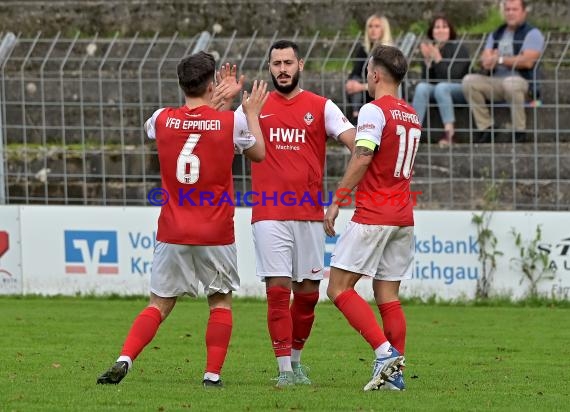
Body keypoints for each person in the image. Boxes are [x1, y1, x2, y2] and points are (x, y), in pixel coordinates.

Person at [96, 51, 269, 388]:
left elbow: (188, 126)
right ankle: (211, 374)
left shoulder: (160, 119)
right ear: (212, 83)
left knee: (159, 303)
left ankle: (124, 358)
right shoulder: (230, 121)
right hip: (215, 231)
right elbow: (259, 153)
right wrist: (249, 113)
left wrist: (210, 102)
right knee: (219, 300)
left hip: (172, 229)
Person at [228, 40, 355, 387]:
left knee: (309, 294)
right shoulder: (253, 107)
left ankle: (297, 362)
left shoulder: (321, 106)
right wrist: (226, 105)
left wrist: (341, 196)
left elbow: (356, 142)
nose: (282, 69)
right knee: (278, 289)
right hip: (269, 213)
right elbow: (220, 135)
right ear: (269, 68)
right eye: (276, 64)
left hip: (310, 215)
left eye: (288, 62)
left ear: (301, 64)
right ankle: (284, 369)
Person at [324, 44, 420, 391]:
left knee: (338, 288)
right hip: (403, 216)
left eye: (367, 72)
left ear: (375, 75)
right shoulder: (411, 114)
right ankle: (395, 379)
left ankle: (384, 354)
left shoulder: (373, 110)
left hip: (374, 214)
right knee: (387, 295)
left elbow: (363, 155)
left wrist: (336, 200)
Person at [462, 0, 544, 143]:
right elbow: (485, 57)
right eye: (507, 10)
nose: (510, 13)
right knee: (469, 81)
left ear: (523, 12)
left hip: (521, 81)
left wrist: (499, 59)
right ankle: (486, 127)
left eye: (514, 9)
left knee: (510, 83)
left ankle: (519, 130)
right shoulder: (497, 33)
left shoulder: (533, 33)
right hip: (495, 80)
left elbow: (527, 61)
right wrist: (487, 62)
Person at [412, 14, 470, 146]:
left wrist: (438, 59)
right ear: (432, 32)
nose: (441, 30)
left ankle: (450, 133)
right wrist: (428, 62)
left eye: (444, 27)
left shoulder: (459, 48)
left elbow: (453, 76)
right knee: (421, 87)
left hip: (460, 88)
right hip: (439, 89)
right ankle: (413, 132)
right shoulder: (432, 49)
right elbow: (427, 80)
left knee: (442, 87)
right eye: (437, 27)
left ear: (450, 30)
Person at [345, 14, 393, 124]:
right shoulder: (363, 49)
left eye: (377, 26)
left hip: (380, 92)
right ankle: (356, 116)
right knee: (355, 79)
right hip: (365, 90)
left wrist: (360, 87)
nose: (373, 30)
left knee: (357, 84)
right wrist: (350, 82)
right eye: (370, 26)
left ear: (384, 30)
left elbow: (385, 81)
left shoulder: (387, 51)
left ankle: (356, 119)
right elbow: (356, 71)